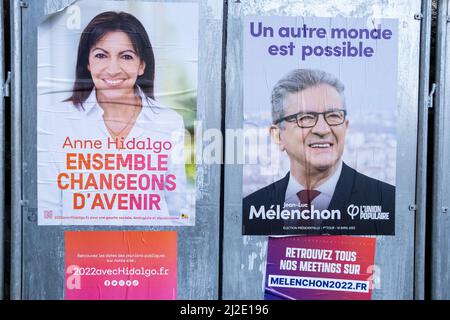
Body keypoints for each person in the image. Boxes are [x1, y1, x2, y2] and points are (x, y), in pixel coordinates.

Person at [38, 11, 191, 225]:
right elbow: (49, 211)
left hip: (150, 255)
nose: (112, 69)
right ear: (88, 63)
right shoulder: (57, 120)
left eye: (126, 56)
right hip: (80, 255)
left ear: (142, 65)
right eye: (101, 55)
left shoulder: (168, 122)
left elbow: (178, 209)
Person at [242, 69, 395, 235]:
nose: (323, 129)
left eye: (334, 116)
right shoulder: (250, 211)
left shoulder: (388, 204)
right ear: (278, 135)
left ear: (346, 127)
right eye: (305, 118)